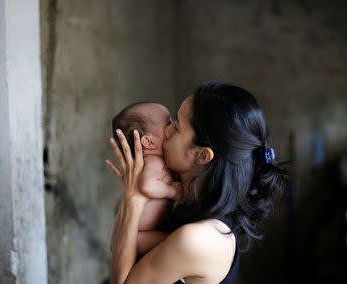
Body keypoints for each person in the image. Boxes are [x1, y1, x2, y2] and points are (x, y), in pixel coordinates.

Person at [106, 82, 288, 284]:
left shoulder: (197, 238)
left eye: (176, 126)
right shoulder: (189, 202)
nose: (166, 131)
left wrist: (133, 197)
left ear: (202, 155)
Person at [109, 102, 182, 257]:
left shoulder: (153, 164)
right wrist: (173, 191)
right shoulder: (153, 162)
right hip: (136, 238)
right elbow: (148, 186)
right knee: (176, 239)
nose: (173, 126)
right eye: (168, 123)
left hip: (130, 235)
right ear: (149, 142)